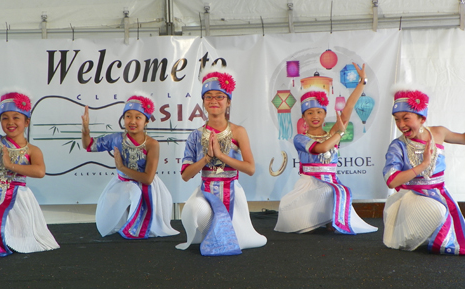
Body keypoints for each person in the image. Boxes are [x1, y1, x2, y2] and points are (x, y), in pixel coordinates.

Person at [274, 63, 377, 235]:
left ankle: (329, 219)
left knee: (333, 190)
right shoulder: (300, 139)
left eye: (319, 112)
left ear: (324, 114)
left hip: (332, 182)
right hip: (309, 184)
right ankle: (317, 219)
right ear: (303, 117)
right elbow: (320, 149)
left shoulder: (331, 133)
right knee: (324, 194)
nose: (315, 116)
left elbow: (348, 108)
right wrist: (339, 134)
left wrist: (362, 83)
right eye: (310, 113)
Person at [0, 69, 59, 257]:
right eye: (5, 118)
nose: (10, 122)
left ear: (27, 121)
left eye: (16, 117)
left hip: (19, 197)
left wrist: (10, 166)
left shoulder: (33, 150)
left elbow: (40, 171)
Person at [176, 69, 267, 256]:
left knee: (236, 240)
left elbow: (250, 168)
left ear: (228, 101)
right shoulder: (195, 135)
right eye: (208, 97)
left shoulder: (238, 131)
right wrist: (207, 158)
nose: (214, 101)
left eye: (219, 96)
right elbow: (186, 175)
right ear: (203, 102)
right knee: (195, 209)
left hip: (232, 191)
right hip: (206, 190)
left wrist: (221, 155)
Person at [382, 84, 465, 254]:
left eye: (406, 118)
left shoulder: (439, 133)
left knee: (449, 216)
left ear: (422, 118)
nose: (401, 124)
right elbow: (391, 181)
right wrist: (423, 164)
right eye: (397, 119)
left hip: (440, 192)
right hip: (412, 196)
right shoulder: (398, 146)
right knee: (438, 212)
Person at [81, 95, 179, 239]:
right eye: (128, 116)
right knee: (108, 223)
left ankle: (136, 226)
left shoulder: (152, 144)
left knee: (135, 191)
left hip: (148, 188)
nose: (132, 121)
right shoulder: (116, 139)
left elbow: (147, 179)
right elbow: (89, 145)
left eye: (138, 117)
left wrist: (121, 167)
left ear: (146, 121)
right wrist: (85, 129)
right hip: (122, 183)